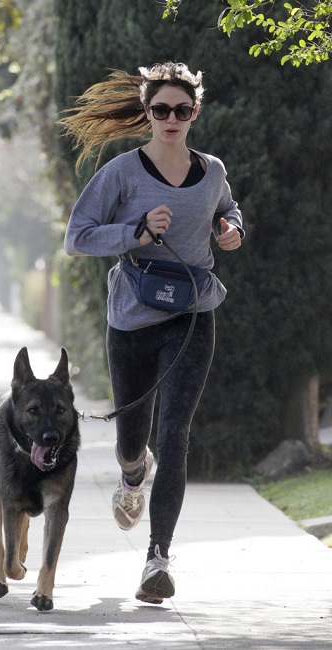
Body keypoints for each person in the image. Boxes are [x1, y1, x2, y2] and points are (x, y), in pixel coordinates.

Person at [60, 62, 244, 604]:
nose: (170, 118)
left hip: (192, 314)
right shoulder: (121, 172)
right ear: (147, 112)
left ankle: (157, 559)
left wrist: (231, 229)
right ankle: (131, 476)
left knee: (175, 435)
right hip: (133, 319)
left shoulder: (212, 171)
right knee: (132, 441)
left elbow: (229, 210)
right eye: (160, 109)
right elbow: (78, 235)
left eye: (181, 110)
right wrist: (135, 232)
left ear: (194, 114)